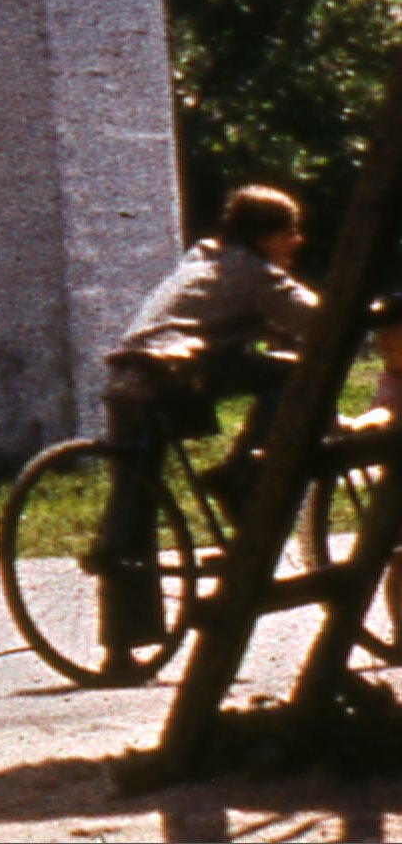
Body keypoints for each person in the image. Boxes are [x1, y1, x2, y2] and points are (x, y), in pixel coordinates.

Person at [95, 184, 331, 654]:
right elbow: (319, 319)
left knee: (131, 513)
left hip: (133, 375)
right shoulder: (252, 271)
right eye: (290, 231)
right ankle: (241, 474)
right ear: (264, 236)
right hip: (173, 372)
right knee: (298, 377)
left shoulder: (206, 258)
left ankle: (122, 649)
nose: (298, 240)